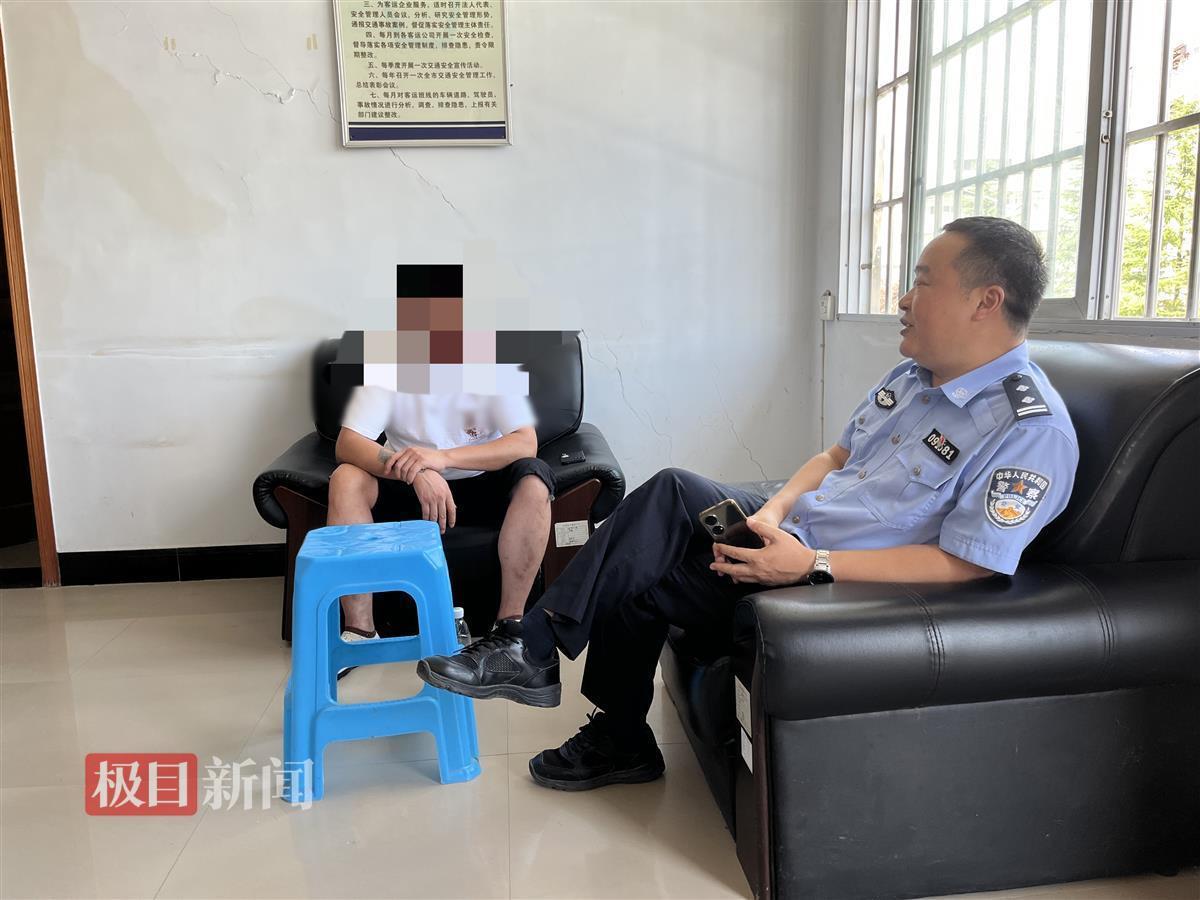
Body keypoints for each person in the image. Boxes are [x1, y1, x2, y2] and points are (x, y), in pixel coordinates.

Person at [416, 216, 1080, 791]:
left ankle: (545, 664)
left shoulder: (1029, 428)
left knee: (661, 526)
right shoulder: (914, 377)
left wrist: (811, 564)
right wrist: (776, 509)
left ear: (986, 301)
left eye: (924, 282)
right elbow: (836, 458)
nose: (905, 299)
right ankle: (592, 709)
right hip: (793, 534)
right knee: (653, 528)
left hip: (838, 580)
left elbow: (971, 563)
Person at [329, 380, 555, 676]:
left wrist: (443, 458)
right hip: (406, 479)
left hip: (482, 479)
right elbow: (348, 443)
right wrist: (418, 470)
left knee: (536, 481)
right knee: (345, 479)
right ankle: (361, 631)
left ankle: (509, 629)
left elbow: (525, 442)